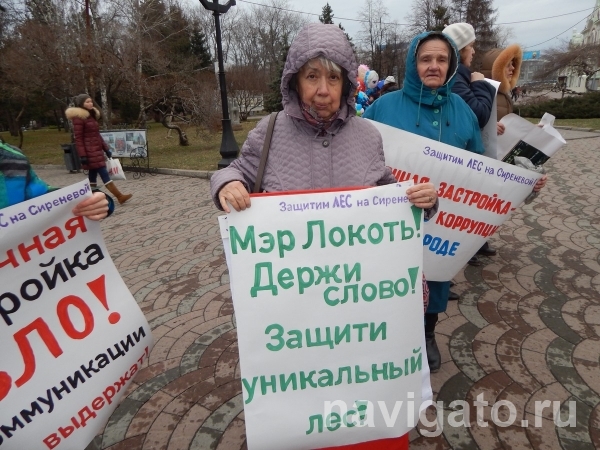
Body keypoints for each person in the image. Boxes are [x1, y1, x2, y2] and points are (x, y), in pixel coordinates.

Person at [211, 23, 438, 450]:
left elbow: (389, 194)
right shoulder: (269, 131)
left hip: (360, 310)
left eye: (333, 78)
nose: (322, 90)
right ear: (294, 80)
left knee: (365, 403)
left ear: (347, 84)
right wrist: (227, 185)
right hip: (295, 313)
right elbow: (233, 172)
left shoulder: (367, 136)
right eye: (312, 76)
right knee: (305, 406)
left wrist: (421, 200)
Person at [363, 31, 484, 373]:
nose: (434, 66)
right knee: (386, 277)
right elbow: (358, 155)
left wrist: (523, 186)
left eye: (441, 59)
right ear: (412, 64)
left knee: (435, 276)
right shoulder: (383, 107)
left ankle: (427, 333)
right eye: (425, 59)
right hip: (390, 219)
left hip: (442, 222)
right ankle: (385, 336)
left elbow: (481, 167)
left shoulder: (463, 111)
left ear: (451, 65)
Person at [443, 22, 497, 272]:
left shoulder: (460, 77)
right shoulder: (459, 79)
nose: (473, 51)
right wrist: (481, 84)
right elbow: (477, 114)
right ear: (460, 49)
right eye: (470, 46)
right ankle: (458, 255)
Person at [481, 46, 548, 187]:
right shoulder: (482, 92)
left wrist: (529, 130)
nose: (512, 68)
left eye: (513, 64)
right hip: (485, 162)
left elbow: (506, 128)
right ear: (496, 68)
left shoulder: (503, 95)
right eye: (508, 65)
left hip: (500, 161)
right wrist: (488, 127)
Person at [0, 140, 113, 219]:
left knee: (100, 176)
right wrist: (83, 155)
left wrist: (92, 200)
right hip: (90, 157)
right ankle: (119, 195)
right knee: (97, 176)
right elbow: (80, 140)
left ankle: (117, 195)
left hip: (95, 157)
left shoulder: (12, 157)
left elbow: (43, 194)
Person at [66, 95, 132, 204]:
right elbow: (78, 138)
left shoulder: (90, 116)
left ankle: (89, 198)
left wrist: (106, 149)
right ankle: (119, 196)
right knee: (103, 173)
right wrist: (83, 155)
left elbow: (97, 135)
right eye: (87, 102)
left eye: (91, 101)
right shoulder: (79, 118)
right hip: (89, 152)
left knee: (92, 175)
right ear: (81, 104)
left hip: (96, 150)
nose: (90, 104)